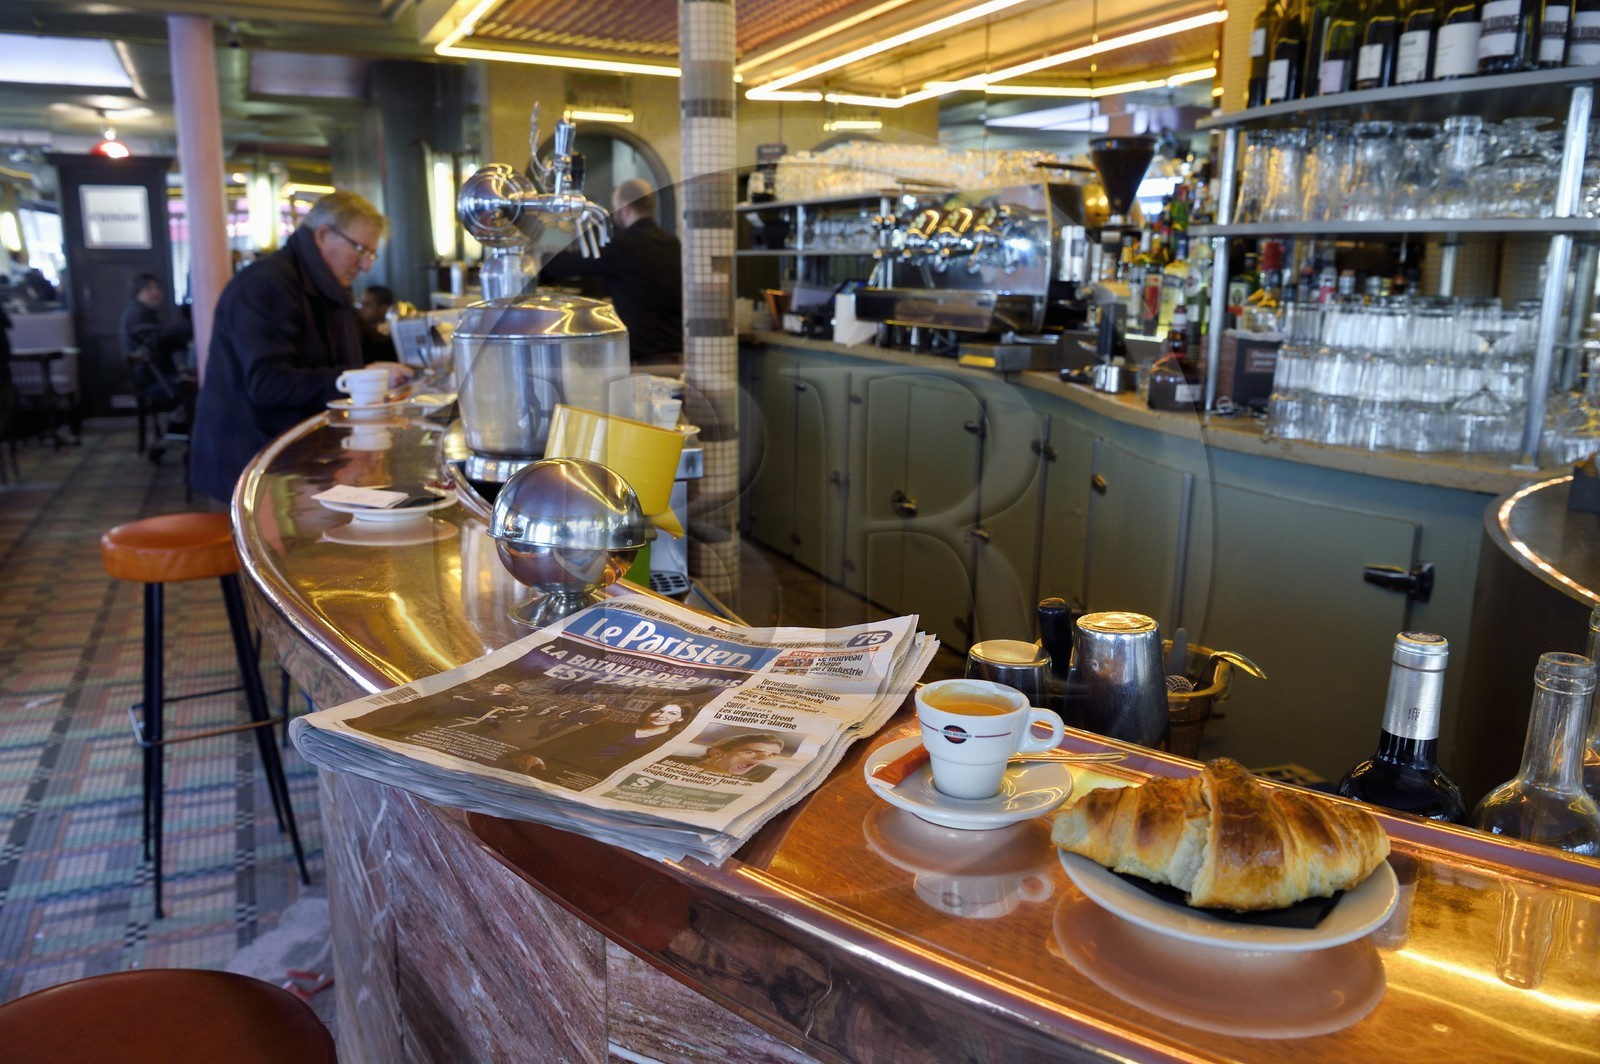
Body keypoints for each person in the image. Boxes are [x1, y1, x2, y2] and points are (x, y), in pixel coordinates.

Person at [189, 190, 413, 501]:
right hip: (253, 464)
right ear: (323, 235)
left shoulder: (329, 285)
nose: (366, 266)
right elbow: (268, 384)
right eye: (360, 250)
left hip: (300, 460)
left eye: (371, 255)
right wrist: (354, 379)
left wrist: (423, 346)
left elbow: (369, 346)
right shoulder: (267, 284)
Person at [538, 177, 682, 364]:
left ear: (625, 206)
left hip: (644, 363)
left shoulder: (624, 246)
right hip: (678, 357)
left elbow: (559, 266)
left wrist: (540, 261)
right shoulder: (673, 244)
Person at [517, 702, 689, 779]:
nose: (662, 716)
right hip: (558, 767)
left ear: (680, 719)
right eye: (658, 710)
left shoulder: (672, 744)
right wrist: (536, 754)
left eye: (672, 713)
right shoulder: (611, 726)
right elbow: (568, 740)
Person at [118, 273, 195, 428]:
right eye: (148, 289)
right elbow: (157, 343)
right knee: (195, 387)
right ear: (137, 292)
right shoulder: (138, 314)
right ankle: (181, 424)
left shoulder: (141, 312)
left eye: (156, 288)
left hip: (154, 377)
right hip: (153, 380)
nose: (155, 292)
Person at [664, 731, 787, 782]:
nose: (763, 759)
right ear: (717, 753)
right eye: (751, 752)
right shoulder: (668, 761)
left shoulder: (762, 778)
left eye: (772, 755)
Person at [356, 284, 395, 364]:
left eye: (367, 305)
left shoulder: (392, 336)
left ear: (383, 308)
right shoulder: (360, 331)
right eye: (361, 304)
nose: (361, 308)